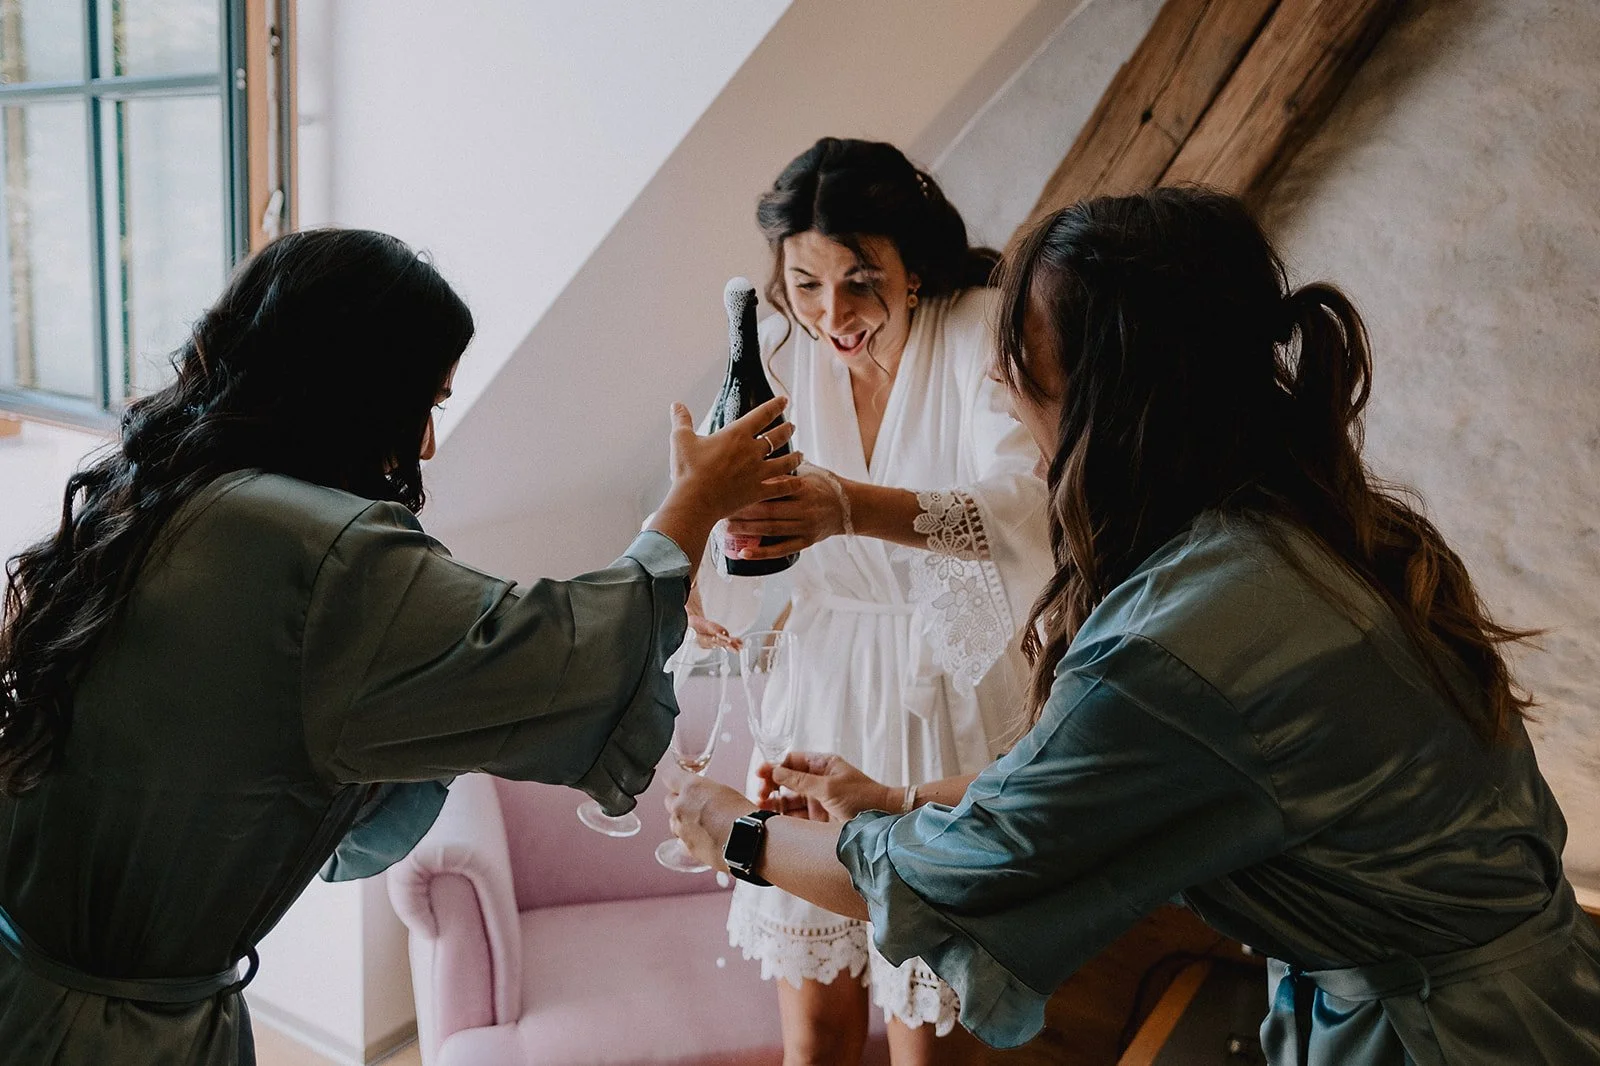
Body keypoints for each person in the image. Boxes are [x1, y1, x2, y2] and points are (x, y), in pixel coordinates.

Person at [666, 187, 1600, 1065]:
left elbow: (955, 883)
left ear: (1115, 393)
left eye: (1022, 356)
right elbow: (1082, 778)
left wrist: (735, 834)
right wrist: (898, 799)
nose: (997, 376)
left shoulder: (1188, 634)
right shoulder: (1292, 528)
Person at [0, 228, 802, 1066]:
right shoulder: (309, 549)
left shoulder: (174, 490)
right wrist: (690, 511)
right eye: (427, 402)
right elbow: (553, 658)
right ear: (354, 387)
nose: (424, 444)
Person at [690, 138, 1050, 1064]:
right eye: (805, 285)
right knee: (815, 1030)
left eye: (859, 281)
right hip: (817, 692)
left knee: (927, 1034)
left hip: (945, 700)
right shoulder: (778, 354)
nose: (833, 315)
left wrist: (848, 508)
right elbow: (726, 502)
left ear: (912, 263)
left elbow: (1022, 508)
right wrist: (689, 559)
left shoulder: (981, 331)